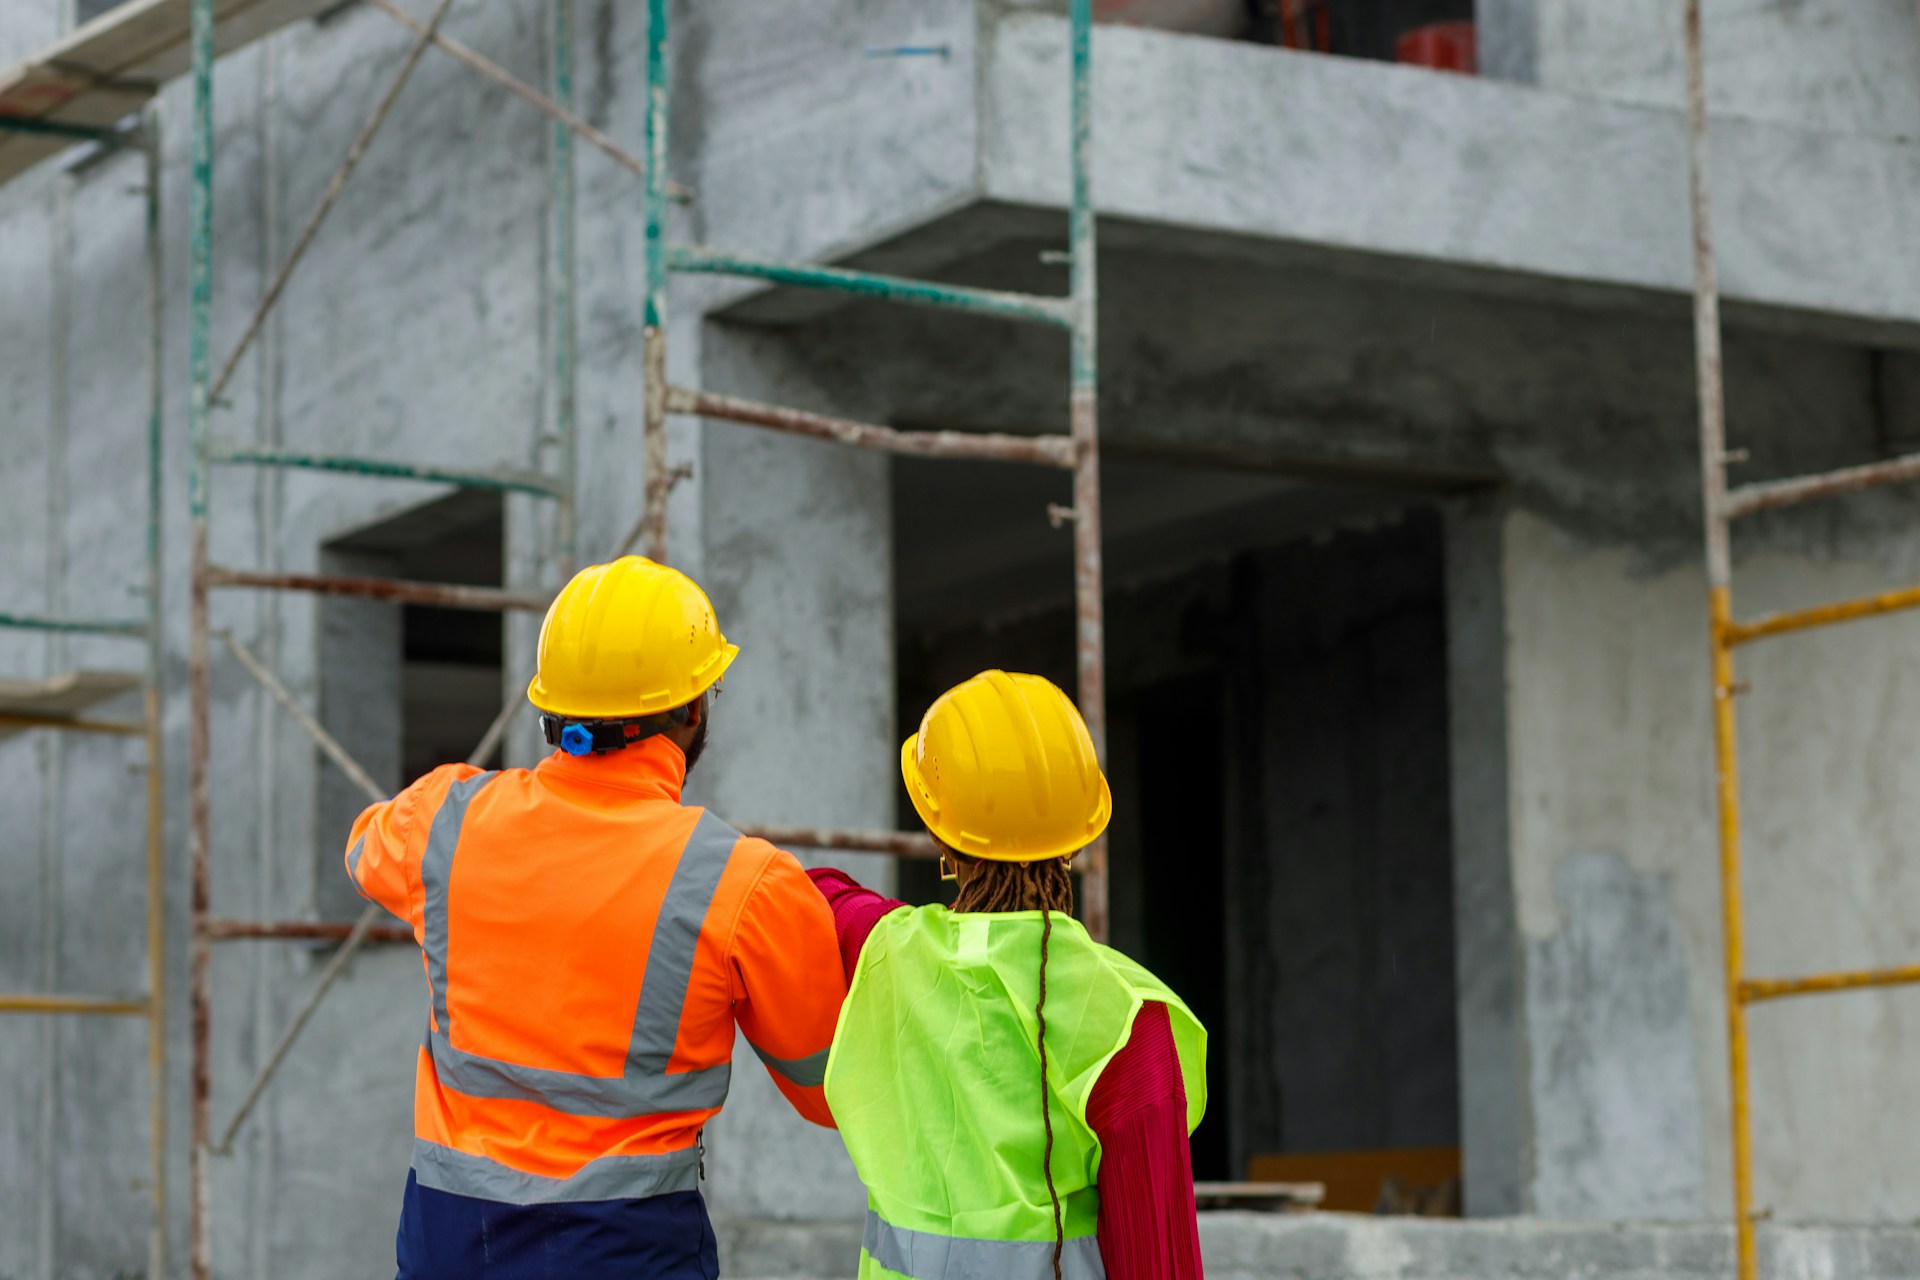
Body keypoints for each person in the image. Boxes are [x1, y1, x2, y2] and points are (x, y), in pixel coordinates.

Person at [345, 555, 847, 1280]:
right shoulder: (745, 885)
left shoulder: (443, 821)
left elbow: (364, 847)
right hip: (627, 1250)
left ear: (552, 713)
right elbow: (828, 1091)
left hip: (450, 1241)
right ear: (695, 709)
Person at [810, 670, 1209, 1280]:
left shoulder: (885, 951)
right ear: (1077, 838)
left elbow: (817, 893)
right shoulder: (1127, 1024)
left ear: (943, 836)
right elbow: (1159, 1262)